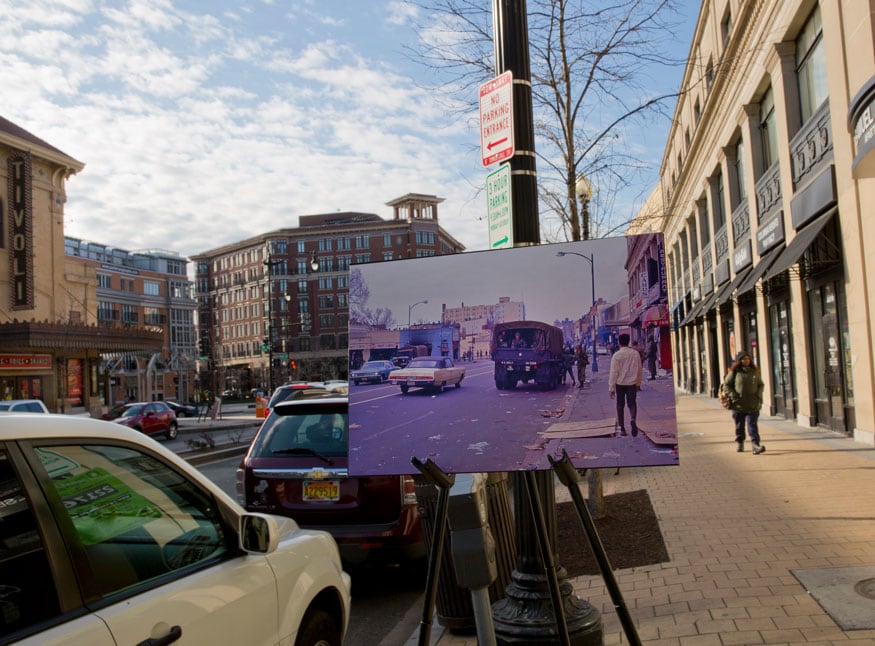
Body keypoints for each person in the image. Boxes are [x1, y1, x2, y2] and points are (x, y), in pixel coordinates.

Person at [723, 351, 766, 454]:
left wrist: (758, 396)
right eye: (743, 359)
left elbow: (761, 384)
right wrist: (734, 397)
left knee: (752, 425)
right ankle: (740, 442)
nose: (746, 361)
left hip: (753, 404)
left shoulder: (754, 371)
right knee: (739, 426)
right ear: (739, 361)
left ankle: (755, 445)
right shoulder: (735, 372)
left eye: (748, 359)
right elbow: (726, 385)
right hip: (738, 405)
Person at [609, 333, 643, 436]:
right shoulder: (635, 354)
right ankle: (633, 418)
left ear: (619, 342)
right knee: (632, 403)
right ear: (628, 341)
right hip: (632, 383)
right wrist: (638, 383)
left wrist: (611, 388)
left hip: (620, 384)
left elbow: (614, 372)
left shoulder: (616, 355)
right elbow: (639, 369)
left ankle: (622, 428)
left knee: (620, 405)